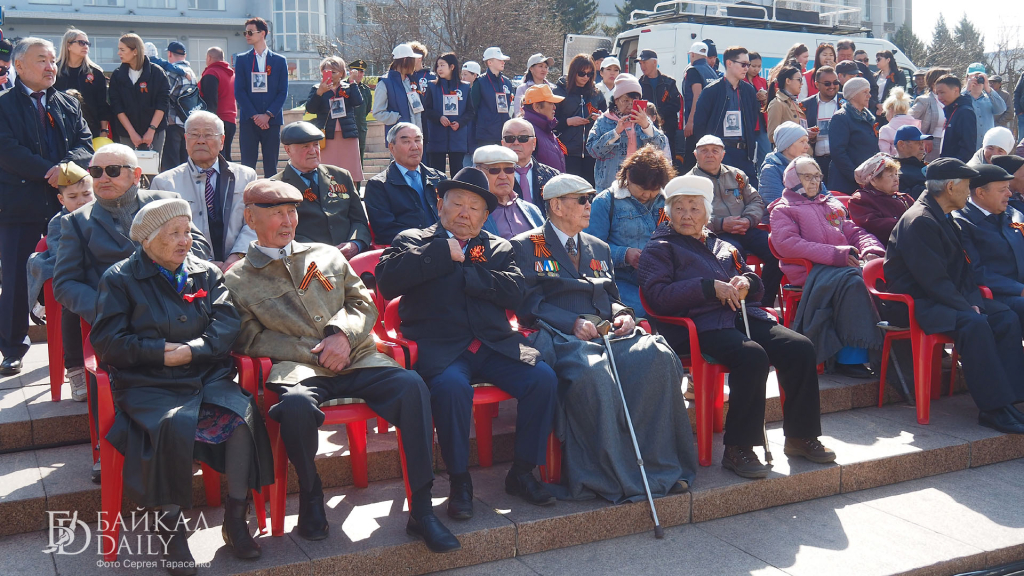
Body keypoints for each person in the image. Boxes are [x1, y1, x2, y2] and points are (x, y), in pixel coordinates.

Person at [225, 180, 460, 552]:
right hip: (299, 368)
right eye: (275, 214)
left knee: (412, 385)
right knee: (297, 406)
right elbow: (248, 338)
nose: (287, 222)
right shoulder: (238, 278)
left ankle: (422, 509)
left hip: (358, 356)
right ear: (250, 218)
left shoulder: (325, 254)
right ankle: (312, 496)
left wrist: (342, 336)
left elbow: (362, 303)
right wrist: (315, 350)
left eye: (292, 212)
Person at [90, 199, 274, 571]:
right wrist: (159, 353)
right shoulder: (120, 278)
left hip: (205, 375)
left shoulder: (206, 272)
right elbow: (108, 342)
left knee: (242, 417)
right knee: (170, 425)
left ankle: (236, 521)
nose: (183, 240)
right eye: (172, 233)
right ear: (146, 239)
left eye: (187, 231)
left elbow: (226, 324)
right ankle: (171, 531)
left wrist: (192, 351)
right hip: (147, 383)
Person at [376, 168, 560, 517]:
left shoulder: (498, 247)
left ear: (485, 215)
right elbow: (387, 283)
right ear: (439, 204)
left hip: (494, 345)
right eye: (457, 203)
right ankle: (460, 480)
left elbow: (516, 293)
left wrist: (470, 273)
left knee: (543, 378)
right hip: (442, 349)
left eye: (474, 207)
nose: (465, 212)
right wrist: (441, 254)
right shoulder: (412, 239)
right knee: (450, 389)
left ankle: (522, 472)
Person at [508, 173, 696, 501]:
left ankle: (656, 466)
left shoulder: (599, 246)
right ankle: (609, 475)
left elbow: (610, 296)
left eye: (590, 198)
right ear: (556, 206)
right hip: (559, 337)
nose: (589, 206)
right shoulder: (526, 245)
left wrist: (624, 314)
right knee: (595, 374)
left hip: (606, 333)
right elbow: (528, 304)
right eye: (581, 199)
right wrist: (573, 322)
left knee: (659, 358)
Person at [639, 174, 833, 478]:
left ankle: (800, 436)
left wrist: (748, 281)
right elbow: (658, 298)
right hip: (699, 326)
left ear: (707, 213)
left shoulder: (722, 245)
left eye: (694, 208)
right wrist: (707, 287)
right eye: (679, 208)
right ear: (668, 212)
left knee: (799, 347)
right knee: (751, 355)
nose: (686, 215)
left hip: (741, 317)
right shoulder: (660, 248)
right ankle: (738, 448)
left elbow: (754, 288)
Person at [883, 158, 1024, 433]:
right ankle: (993, 409)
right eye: (967, 186)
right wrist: (968, 307)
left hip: (945, 298)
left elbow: (965, 272)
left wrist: (972, 300)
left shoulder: (942, 214)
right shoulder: (921, 220)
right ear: (950, 187)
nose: (969, 191)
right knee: (975, 324)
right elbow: (933, 281)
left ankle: (1011, 400)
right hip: (918, 304)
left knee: (1004, 317)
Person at [0, 37, 93, 376]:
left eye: (53, 60)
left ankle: (81, 348)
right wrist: (47, 170)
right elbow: (6, 149)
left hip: (67, 205)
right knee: (13, 278)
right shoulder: (4, 105)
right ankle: (12, 347)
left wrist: (65, 167)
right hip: (19, 204)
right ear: (19, 65)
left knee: (75, 272)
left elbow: (85, 142)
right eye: (42, 60)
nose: (51, 66)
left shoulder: (67, 103)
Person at [770, 157, 884, 377]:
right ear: (793, 179)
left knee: (879, 277)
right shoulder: (783, 209)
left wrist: (871, 250)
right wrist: (835, 255)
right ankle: (850, 358)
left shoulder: (830, 203)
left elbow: (852, 231)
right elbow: (787, 244)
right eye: (807, 176)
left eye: (817, 176)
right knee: (853, 282)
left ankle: (887, 351)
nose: (814, 181)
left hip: (841, 265)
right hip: (810, 272)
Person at [149, 110, 258, 270]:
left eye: (208, 135)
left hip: (240, 267)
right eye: (194, 135)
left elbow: (255, 222)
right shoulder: (164, 183)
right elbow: (160, 234)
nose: (200, 141)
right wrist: (200, 261)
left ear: (222, 141)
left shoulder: (246, 177)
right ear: (186, 140)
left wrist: (237, 255)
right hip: (186, 269)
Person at [688, 135, 780, 307]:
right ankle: (740, 304)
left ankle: (764, 302)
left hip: (745, 228)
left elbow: (756, 201)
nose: (710, 155)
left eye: (715, 151)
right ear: (695, 155)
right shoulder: (690, 182)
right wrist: (721, 223)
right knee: (734, 254)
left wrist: (748, 219)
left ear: (722, 154)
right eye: (704, 151)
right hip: (714, 234)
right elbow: (689, 216)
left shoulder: (737, 175)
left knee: (777, 248)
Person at [26, 163, 93, 400]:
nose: (81, 201)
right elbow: (61, 256)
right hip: (72, 278)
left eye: (86, 194)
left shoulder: (102, 212)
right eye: (73, 197)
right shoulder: (59, 222)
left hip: (103, 277)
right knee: (70, 306)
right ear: (61, 199)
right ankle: (74, 368)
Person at [584, 144, 674, 311]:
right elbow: (590, 248)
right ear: (628, 176)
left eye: (653, 190)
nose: (647, 196)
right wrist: (624, 254)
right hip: (621, 280)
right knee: (644, 311)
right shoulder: (605, 202)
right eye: (642, 189)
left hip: (663, 277)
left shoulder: (667, 201)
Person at [269, 121, 370, 257]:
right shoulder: (276, 185)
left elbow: (359, 220)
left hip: (349, 257)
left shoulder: (341, 176)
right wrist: (320, 252)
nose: (313, 151)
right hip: (304, 260)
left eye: (316, 145)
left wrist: (355, 243)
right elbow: (279, 230)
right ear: (288, 150)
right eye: (305, 146)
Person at [953, 164, 1024, 326]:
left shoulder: (1013, 214)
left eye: (1008, 188)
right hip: (994, 295)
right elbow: (974, 271)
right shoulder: (962, 223)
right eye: (1002, 190)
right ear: (980, 193)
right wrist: (1018, 289)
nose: (1009, 194)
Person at [691, 46, 761, 188]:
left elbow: (753, 119)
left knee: (747, 192)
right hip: (720, 153)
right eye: (743, 64)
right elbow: (700, 124)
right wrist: (708, 151)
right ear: (729, 63)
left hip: (743, 153)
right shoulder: (711, 91)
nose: (746, 68)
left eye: (748, 64)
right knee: (720, 193)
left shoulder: (748, 91)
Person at [364, 123, 443, 245]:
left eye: (418, 140)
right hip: (408, 251)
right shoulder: (379, 185)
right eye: (406, 142)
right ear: (392, 148)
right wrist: (426, 239)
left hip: (444, 245)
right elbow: (385, 230)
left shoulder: (438, 178)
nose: (414, 147)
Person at [587, 73, 667, 191]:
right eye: (625, 100)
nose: (630, 105)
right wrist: (615, 133)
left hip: (641, 185)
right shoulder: (604, 120)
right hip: (609, 186)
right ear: (616, 100)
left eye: (634, 101)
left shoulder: (644, 119)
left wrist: (646, 126)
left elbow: (661, 146)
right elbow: (592, 150)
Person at [234, 17, 288, 177]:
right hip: (249, 121)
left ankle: (271, 200)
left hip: (272, 121)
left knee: (271, 165)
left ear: (262, 33)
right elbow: (239, 91)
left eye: (250, 32)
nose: (247, 35)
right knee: (247, 166)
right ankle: (247, 199)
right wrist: (255, 116)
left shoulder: (279, 61)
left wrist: (268, 115)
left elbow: (282, 91)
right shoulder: (242, 60)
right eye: (245, 32)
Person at [305, 56, 364, 183]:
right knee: (327, 170)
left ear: (342, 73)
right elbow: (311, 108)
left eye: (334, 72)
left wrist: (353, 83)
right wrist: (319, 93)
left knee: (350, 168)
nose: (330, 75)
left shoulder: (347, 87)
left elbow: (358, 102)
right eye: (326, 71)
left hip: (347, 134)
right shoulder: (317, 88)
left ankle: (352, 196)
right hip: (327, 135)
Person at [108, 33, 170, 155]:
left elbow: (162, 103)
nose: (118, 53)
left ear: (135, 51)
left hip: (155, 132)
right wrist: (132, 133)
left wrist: (151, 130)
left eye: (122, 50)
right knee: (128, 171)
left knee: (152, 171)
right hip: (127, 134)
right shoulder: (117, 75)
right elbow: (117, 106)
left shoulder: (157, 73)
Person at [555, 54, 605, 185]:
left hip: (591, 152)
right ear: (573, 72)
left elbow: (607, 118)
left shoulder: (597, 93)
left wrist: (600, 118)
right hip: (568, 152)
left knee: (590, 190)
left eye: (590, 74)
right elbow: (549, 123)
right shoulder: (559, 92)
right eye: (582, 73)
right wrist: (568, 122)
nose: (585, 77)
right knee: (571, 189)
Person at [475, 145, 543, 239]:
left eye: (509, 169)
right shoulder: (472, 213)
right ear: (479, 171)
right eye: (494, 170)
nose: (503, 176)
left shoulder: (532, 210)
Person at [55, 29, 111, 140]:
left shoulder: (95, 72)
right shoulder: (55, 71)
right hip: (60, 129)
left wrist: (104, 130)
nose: (85, 46)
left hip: (90, 129)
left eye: (87, 43)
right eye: (81, 42)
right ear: (68, 45)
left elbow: (102, 104)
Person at [422, 52, 472, 175]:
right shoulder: (432, 86)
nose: (439, 69)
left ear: (452, 67)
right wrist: (439, 118)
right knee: (437, 175)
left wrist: (460, 123)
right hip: (437, 138)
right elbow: (426, 110)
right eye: (437, 66)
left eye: (442, 65)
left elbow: (470, 111)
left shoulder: (465, 87)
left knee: (457, 175)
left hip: (457, 138)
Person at [828, 77, 879, 194]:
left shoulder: (868, 117)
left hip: (866, 180)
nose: (869, 96)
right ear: (854, 95)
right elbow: (838, 152)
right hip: (846, 183)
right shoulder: (841, 117)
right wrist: (855, 176)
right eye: (865, 92)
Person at [849, 153, 913, 244]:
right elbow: (874, 226)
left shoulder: (904, 198)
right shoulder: (860, 200)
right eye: (890, 175)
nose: (896, 179)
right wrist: (910, 224)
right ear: (873, 180)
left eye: (896, 174)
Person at [502, 118, 560, 216]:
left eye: (523, 138)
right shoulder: (493, 177)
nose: (516, 142)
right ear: (502, 144)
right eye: (510, 138)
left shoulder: (553, 176)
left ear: (534, 143)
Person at [759, 122, 816, 215]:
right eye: (802, 142)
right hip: (784, 223)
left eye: (807, 142)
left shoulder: (808, 166)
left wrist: (837, 207)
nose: (807, 147)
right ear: (786, 146)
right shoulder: (771, 170)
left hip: (810, 217)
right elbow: (776, 204)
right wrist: (812, 210)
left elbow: (824, 194)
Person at [637, 50, 681, 167]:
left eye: (644, 63)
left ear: (654, 62)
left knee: (667, 162)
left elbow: (676, 104)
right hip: (645, 130)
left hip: (667, 130)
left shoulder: (669, 83)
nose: (642, 66)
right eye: (640, 63)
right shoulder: (639, 84)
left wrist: (661, 116)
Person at [160, 42, 197, 172]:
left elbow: (164, 94)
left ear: (169, 54)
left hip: (172, 122)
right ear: (184, 55)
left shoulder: (172, 71)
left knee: (172, 166)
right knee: (185, 165)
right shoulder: (191, 72)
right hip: (187, 121)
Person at [468, 47, 515, 149]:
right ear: (489, 62)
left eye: (503, 60)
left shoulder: (507, 82)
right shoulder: (480, 82)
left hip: (504, 135)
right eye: (499, 60)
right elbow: (472, 109)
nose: (503, 62)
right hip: (485, 136)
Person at [681, 41, 719, 167]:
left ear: (692, 55)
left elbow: (697, 96)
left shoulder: (693, 70)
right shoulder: (712, 72)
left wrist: (690, 121)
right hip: (711, 124)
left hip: (697, 125)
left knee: (691, 163)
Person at [801, 66, 840, 185]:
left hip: (839, 161)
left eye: (835, 82)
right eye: (827, 83)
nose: (832, 86)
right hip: (816, 160)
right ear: (817, 85)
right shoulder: (805, 105)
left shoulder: (846, 101)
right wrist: (807, 134)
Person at [373, 43, 423, 135]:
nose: (414, 63)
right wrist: (398, 118)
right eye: (412, 60)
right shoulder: (385, 83)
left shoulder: (412, 80)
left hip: (416, 136)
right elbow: (378, 112)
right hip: (398, 137)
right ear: (404, 60)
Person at [199, 47, 237, 162]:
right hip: (231, 119)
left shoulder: (211, 73)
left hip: (217, 120)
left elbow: (211, 101)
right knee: (226, 155)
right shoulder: (231, 74)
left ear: (209, 57)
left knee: (217, 157)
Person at [520, 84, 566, 173]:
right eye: (550, 103)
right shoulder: (525, 131)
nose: (554, 107)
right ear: (536, 107)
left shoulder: (546, 128)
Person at [934, 75, 977, 163]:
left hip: (956, 169)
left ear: (956, 90)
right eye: (937, 94)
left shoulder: (965, 112)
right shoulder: (951, 110)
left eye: (942, 92)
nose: (939, 97)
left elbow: (968, 147)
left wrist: (955, 168)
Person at [910, 67, 950, 162]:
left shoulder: (951, 100)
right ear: (933, 84)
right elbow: (909, 120)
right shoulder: (925, 101)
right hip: (931, 147)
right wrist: (924, 137)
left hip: (948, 143)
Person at [964, 63, 1006, 150]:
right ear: (966, 78)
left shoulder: (990, 98)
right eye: (974, 77)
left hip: (985, 148)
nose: (978, 80)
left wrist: (988, 89)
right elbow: (954, 106)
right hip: (965, 146)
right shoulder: (961, 97)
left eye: (980, 77)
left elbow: (1002, 109)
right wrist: (967, 90)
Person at [744, 52, 772, 178]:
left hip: (761, 122)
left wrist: (764, 98)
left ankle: (765, 181)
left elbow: (768, 102)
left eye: (759, 66)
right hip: (747, 122)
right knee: (748, 156)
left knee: (765, 153)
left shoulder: (761, 81)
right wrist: (754, 97)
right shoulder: (740, 80)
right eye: (753, 66)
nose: (756, 69)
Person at [765, 66, 807, 142]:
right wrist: (799, 135)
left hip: (801, 152)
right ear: (788, 81)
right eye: (799, 80)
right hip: (788, 152)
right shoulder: (777, 103)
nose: (802, 83)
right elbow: (772, 136)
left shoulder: (795, 102)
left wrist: (807, 133)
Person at [836, 40, 879, 112]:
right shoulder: (832, 69)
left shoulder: (861, 67)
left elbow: (873, 88)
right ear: (837, 54)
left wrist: (869, 103)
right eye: (842, 56)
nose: (845, 58)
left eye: (849, 56)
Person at [893, 125, 933, 199]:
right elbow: (906, 200)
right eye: (918, 143)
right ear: (901, 145)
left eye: (922, 143)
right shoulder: (894, 173)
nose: (922, 147)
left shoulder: (926, 166)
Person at [877, 87, 920, 155]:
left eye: (885, 111)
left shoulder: (886, 130)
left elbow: (884, 156)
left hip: (895, 164)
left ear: (890, 110)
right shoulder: (917, 127)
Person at [347, 59, 373, 166]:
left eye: (361, 72)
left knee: (359, 162)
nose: (359, 74)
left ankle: (357, 183)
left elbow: (366, 110)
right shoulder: (343, 87)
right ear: (350, 72)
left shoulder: (366, 90)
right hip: (346, 129)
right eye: (356, 71)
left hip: (360, 129)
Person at [873, 50, 905, 124]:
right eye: (876, 60)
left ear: (888, 60)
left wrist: (885, 106)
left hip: (892, 112)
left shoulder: (898, 74)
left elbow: (899, 93)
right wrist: (877, 105)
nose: (877, 62)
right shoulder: (875, 76)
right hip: (876, 111)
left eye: (879, 59)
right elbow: (872, 93)